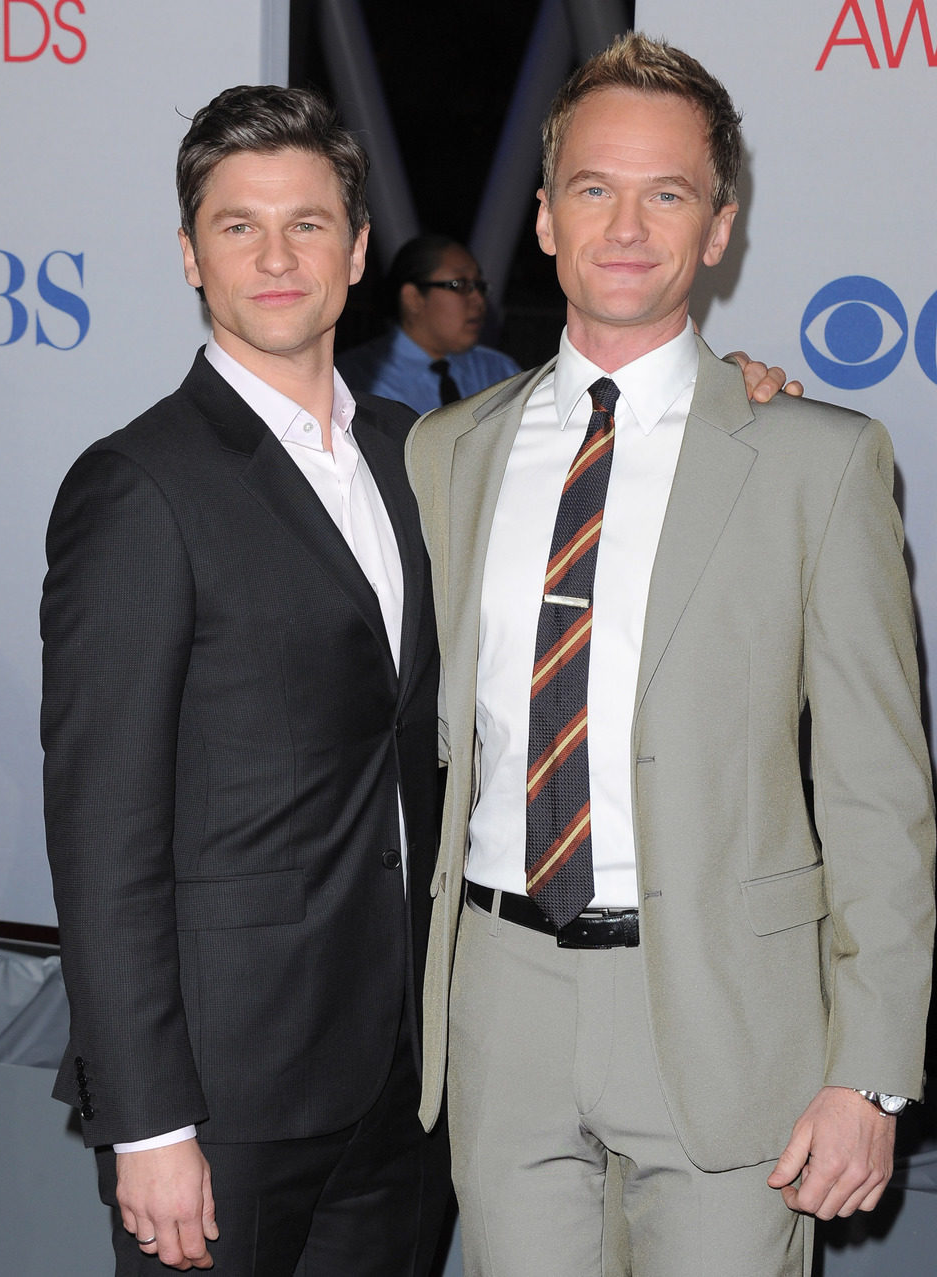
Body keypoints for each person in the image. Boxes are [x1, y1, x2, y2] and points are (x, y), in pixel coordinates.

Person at [405, 33, 935, 1277]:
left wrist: (873, 1067)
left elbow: (878, 789)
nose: (628, 224)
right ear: (543, 218)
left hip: (729, 1015)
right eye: (594, 187)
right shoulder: (449, 453)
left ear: (719, 226)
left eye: (669, 192)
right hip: (500, 1005)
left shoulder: (817, 457)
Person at [41, 85, 451, 1276]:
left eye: (310, 222)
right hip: (221, 1101)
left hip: (406, 1079)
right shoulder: (139, 485)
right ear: (190, 255)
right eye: (237, 225)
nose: (277, 256)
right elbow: (102, 829)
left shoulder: (413, 457)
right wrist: (149, 1117)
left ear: (359, 248)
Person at [337, 233, 520, 413]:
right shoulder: (357, 379)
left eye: (479, 286)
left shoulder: (499, 371)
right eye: (459, 285)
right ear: (414, 298)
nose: (479, 300)